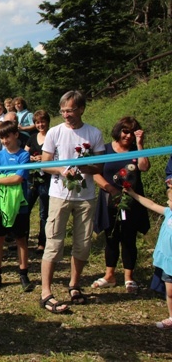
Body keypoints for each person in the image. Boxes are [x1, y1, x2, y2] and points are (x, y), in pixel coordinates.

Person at [39, 90, 104, 313]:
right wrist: (62, 169)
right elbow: (44, 164)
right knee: (54, 242)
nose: (66, 115)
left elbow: (100, 166)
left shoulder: (94, 133)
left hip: (85, 197)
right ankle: (46, 291)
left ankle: (75, 285)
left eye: (70, 110)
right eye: (63, 110)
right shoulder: (54, 133)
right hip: (59, 195)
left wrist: (87, 168)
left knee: (83, 243)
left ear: (81, 109)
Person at [92, 116, 150, 293]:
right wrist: (111, 189)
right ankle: (109, 275)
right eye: (125, 131)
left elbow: (144, 167)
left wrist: (140, 145)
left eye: (132, 133)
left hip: (131, 201)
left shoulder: (135, 150)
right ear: (119, 130)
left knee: (129, 238)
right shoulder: (106, 149)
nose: (128, 136)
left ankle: (128, 277)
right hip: (109, 199)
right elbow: (96, 174)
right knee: (111, 237)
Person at [0, 121, 32, 292]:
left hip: (19, 205)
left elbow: (17, 179)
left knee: (20, 239)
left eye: (7, 136)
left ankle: (23, 273)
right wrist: (3, 177)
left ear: (15, 135)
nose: (5, 140)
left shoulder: (24, 155)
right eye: (1, 137)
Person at [124, 186, 172, 329]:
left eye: (170, 200)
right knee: (170, 292)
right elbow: (151, 204)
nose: (167, 202)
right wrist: (133, 194)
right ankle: (171, 316)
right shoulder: (168, 212)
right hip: (167, 261)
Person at [24, 110, 51, 254]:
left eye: (42, 121)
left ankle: (42, 242)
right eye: (37, 122)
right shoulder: (32, 138)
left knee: (43, 212)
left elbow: (57, 156)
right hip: (31, 179)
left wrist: (44, 158)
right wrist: (31, 159)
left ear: (47, 122)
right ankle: (24, 241)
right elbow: (24, 154)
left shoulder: (52, 137)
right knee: (25, 210)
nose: (40, 124)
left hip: (47, 179)